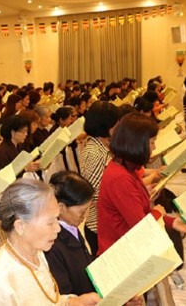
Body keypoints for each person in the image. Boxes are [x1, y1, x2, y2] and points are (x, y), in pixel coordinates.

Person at [0, 179, 100, 306]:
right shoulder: (0, 285)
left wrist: (72, 302)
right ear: (20, 226)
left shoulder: (36, 252)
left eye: (56, 219)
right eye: (50, 223)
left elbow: (49, 300)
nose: (58, 228)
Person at [97, 113, 186, 255]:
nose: (154, 148)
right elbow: (141, 227)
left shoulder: (125, 166)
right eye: (152, 142)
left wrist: (173, 222)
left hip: (127, 246)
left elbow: (138, 211)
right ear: (137, 144)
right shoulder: (120, 177)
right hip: (121, 254)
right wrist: (158, 212)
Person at [45, 171, 95, 295]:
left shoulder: (70, 225)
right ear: (61, 208)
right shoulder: (51, 244)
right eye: (82, 211)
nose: (86, 215)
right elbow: (64, 293)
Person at [80, 101, 119, 256]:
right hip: (99, 224)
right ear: (106, 126)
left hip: (105, 220)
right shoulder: (94, 152)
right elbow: (94, 193)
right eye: (116, 124)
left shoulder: (102, 146)